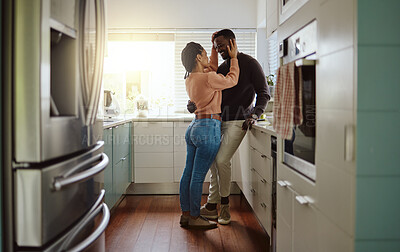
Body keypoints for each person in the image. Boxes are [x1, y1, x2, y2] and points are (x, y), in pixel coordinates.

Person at [194, 29, 270, 225]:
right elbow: (210, 90)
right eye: (216, 46)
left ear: (233, 42)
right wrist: (194, 102)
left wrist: (255, 114)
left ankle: (225, 207)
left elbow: (264, 93)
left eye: (221, 45)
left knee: (221, 160)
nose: (219, 49)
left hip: (239, 120)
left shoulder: (250, 63)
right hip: (218, 120)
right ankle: (212, 205)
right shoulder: (222, 67)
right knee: (213, 159)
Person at [179, 36, 240, 229]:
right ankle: (196, 217)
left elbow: (210, 67)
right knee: (198, 176)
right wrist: (234, 58)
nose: (208, 56)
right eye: (205, 53)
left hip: (194, 127)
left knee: (187, 174)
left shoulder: (190, 78)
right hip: (208, 128)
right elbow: (233, 79)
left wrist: (213, 48)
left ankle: (186, 214)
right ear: (198, 57)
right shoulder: (209, 78)